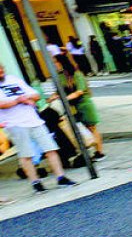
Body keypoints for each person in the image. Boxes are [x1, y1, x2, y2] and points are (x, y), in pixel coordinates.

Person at [0, 62, 77, 193]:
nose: (1, 72)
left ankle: (61, 177)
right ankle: (36, 182)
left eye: (1, 69)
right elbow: (3, 104)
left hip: (34, 120)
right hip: (15, 124)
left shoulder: (14, 79)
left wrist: (25, 98)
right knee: (26, 154)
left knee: (51, 149)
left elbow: (36, 95)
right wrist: (20, 100)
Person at [53, 54, 105, 159]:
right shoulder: (61, 76)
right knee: (79, 129)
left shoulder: (77, 74)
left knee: (91, 127)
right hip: (72, 106)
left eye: (55, 62)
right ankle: (86, 151)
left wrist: (65, 98)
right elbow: (59, 91)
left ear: (61, 62)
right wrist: (52, 98)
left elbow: (80, 91)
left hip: (84, 104)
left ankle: (99, 152)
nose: (54, 64)